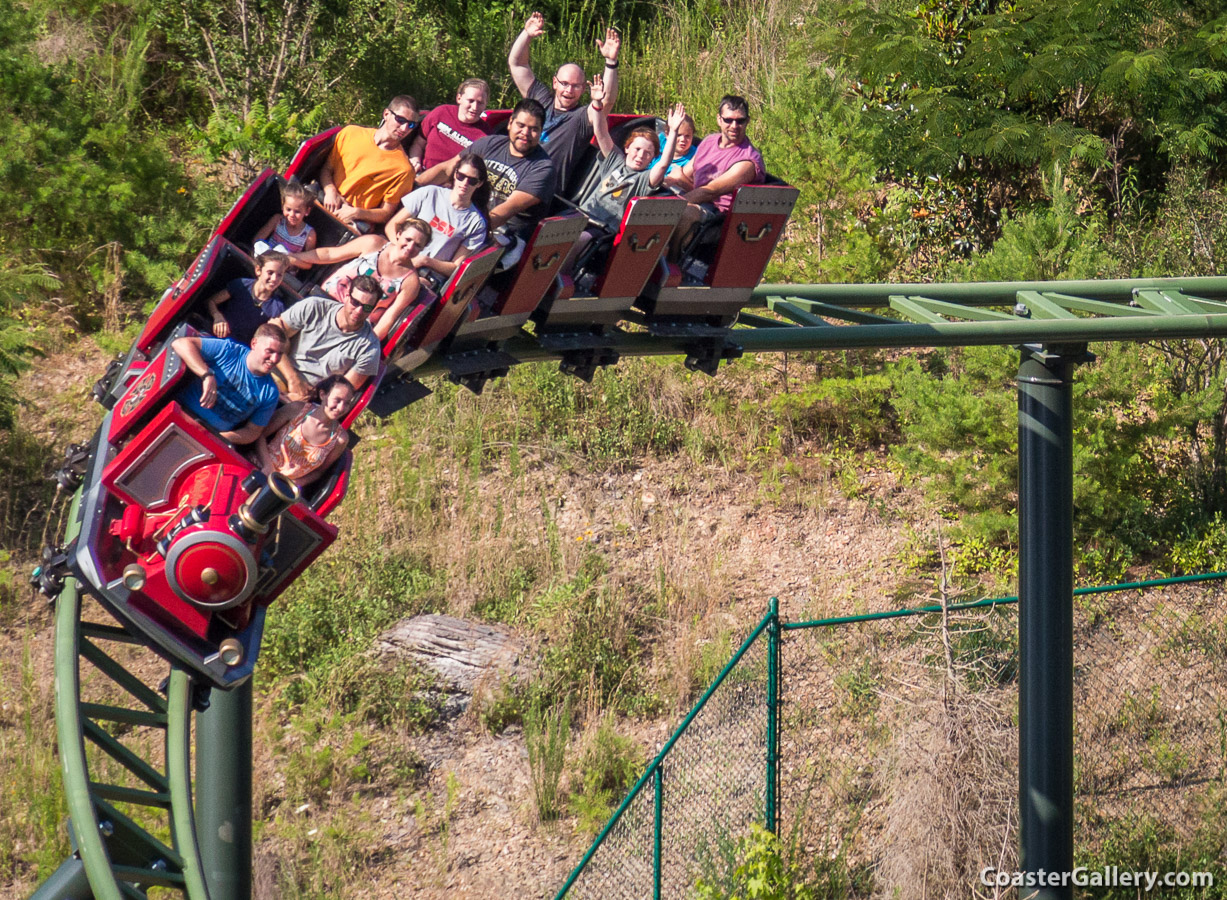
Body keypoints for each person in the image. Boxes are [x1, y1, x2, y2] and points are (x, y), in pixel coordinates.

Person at [507, 11, 622, 192]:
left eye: (576, 86)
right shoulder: (541, 100)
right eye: (565, 84)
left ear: (584, 89)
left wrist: (611, 61)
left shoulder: (581, 119)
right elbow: (518, 65)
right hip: (512, 175)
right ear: (555, 83)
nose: (569, 91)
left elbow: (605, 102)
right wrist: (526, 35)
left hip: (540, 191)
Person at [289, 218, 431, 342]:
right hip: (325, 300)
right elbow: (330, 254)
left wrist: (364, 345)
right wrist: (291, 258)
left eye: (418, 245)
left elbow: (388, 319)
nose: (410, 247)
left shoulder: (410, 282)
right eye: (408, 239)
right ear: (399, 234)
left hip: (352, 325)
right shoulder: (373, 243)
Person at [671, 95, 767, 258]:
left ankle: (669, 266)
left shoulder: (748, 162)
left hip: (719, 219)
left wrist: (668, 206)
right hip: (699, 201)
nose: (734, 126)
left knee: (684, 214)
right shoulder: (709, 141)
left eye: (740, 121)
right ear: (719, 119)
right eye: (728, 120)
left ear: (747, 121)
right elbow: (682, 174)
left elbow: (710, 191)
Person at [269, 274, 382, 402]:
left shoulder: (370, 348)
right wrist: (292, 379)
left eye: (367, 307)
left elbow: (344, 391)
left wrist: (301, 397)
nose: (359, 311)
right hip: (275, 369)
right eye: (355, 303)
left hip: (307, 397)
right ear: (346, 297)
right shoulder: (314, 306)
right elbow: (272, 331)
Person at [386, 152, 490, 288]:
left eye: (472, 180)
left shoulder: (476, 223)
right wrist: (401, 250)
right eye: (461, 176)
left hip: (425, 275)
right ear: (455, 174)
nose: (465, 183)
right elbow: (392, 225)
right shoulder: (430, 193)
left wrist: (425, 261)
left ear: (479, 184)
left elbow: (455, 268)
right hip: (398, 257)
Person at [172, 323, 285, 445]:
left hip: (213, 438)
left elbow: (252, 431)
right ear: (254, 344)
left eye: (279, 354)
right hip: (181, 415)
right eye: (270, 351)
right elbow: (180, 344)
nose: (274, 359)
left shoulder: (271, 392)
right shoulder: (229, 351)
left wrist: (218, 438)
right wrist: (206, 375)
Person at [318, 96, 420, 230]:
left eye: (411, 125)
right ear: (386, 114)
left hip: (350, 223)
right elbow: (327, 169)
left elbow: (385, 213)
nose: (405, 128)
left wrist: (356, 212)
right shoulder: (350, 133)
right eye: (400, 120)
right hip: (323, 201)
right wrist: (330, 191)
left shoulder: (403, 169)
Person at [256, 374, 354, 487]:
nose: (341, 408)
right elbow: (260, 434)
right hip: (259, 467)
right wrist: (268, 466)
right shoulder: (297, 410)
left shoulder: (340, 439)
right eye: (337, 400)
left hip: (284, 487)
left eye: (347, 403)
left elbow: (319, 472)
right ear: (323, 395)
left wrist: (293, 485)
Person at [204, 251, 291, 347]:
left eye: (279, 275)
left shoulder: (277, 307)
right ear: (258, 270)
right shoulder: (242, 285)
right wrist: (217, 316)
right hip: (217, 337)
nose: (274, 278)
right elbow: (211, 301)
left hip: (240, 348)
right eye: (270, 273)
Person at [406, 79, 492, 174]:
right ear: (459, 98)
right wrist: (415, 160)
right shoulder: (441, 112)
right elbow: (418, 143)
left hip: (452, 185)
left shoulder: (485, 136)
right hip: (422, 173)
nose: (475, 107)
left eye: (480, 103)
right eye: (471, 101)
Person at [252, 182, 317, 267]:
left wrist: (290, 259)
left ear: (307, 211)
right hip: (267, 260)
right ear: (283, 206)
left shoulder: (309, 234)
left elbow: (308, 264)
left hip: (286, 271)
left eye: (297, 211)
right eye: (288, 209)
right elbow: (257, 240)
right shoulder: (277, 220)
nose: (291, 215)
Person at [655, 113, 697, 188]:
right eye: (678, 135)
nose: (683, 140)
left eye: (687, 136)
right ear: (667, 134)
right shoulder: (660, 141)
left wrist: (681, 179)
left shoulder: (694, 157)